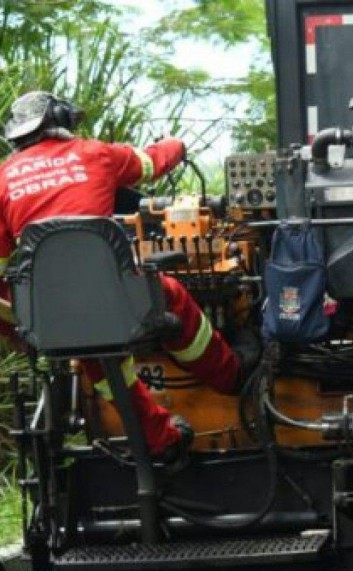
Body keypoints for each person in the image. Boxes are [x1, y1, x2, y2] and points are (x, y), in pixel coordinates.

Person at [0, 91, 252, 466]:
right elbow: (152, 162)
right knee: (169, 295)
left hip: (55, 319)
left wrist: (18, 326)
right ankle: (231, 376)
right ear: (62, 122)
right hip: (115, 301)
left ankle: (163, 439)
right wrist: (178, 145)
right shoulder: (95, 153)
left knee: (94, 358)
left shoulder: (3, 179)